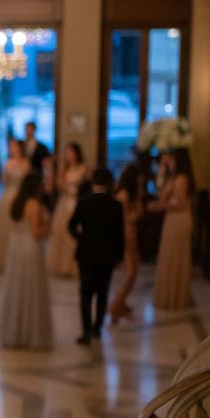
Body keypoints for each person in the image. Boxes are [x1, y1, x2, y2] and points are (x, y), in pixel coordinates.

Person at [0, 171, 53, 349]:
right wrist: (49, 231)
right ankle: (30, 333)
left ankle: (15, 331)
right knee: (31, 289)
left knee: (16, 288)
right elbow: (37, 233)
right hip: (30, 248)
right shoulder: (34, 205)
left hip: (16, 247)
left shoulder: (17, 203)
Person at [68, 167, 125, 345]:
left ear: (93, 182)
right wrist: (119, 256)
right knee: (102, 292)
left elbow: (71, 225)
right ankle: (97, 328)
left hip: (86, 254)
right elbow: (119, 234)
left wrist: (81, 239)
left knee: (85, 292)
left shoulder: (84, 202)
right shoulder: (115, 205)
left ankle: (85, 332)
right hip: (107, 256)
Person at [149, 148, 195, 310]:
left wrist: (159, 207)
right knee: (169, 256)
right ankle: (169, 296)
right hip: (172, 219)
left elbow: (179, 204)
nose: (168, 160)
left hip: (179, 219)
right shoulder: (173, 176)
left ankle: (175, 298)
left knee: (176, 257)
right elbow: (162, 193)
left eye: (171, 158)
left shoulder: (182, 178)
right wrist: (162, 170)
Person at [107, 162, 145, 323]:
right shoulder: (124, 195)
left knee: (131, 270)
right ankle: (116, 305)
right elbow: (132, 216)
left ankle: (121, 303)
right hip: (127, 231)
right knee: (132, 271)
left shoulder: (124, 193)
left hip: (128, 230)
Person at [47, 142, 87, 278]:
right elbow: (58, 186)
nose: (69, 155)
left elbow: (81, 187)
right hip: (64, 202)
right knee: (60, 232)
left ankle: (72, 266)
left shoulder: (82, 168)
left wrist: (71, 189)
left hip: (75, 202)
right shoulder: (64, 169)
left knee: (73, 233)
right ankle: (61, 266)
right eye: (67, 152)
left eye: (71, 152)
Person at [0, 138, 30, 270]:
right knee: (5, 226)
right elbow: (3, 181)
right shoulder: (8, 163)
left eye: (13, 146)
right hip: (7, 195)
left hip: (19, 196)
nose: (11, 148)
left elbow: (26, 182)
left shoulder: (25, 164)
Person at [24, 121, 54, 203]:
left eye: (30, 130)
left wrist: (48, 183)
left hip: (36, 180)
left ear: (34, 131)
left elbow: (48, 167)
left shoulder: (42, 148)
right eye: (26, 130)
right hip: (23, 181)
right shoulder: (21, 146)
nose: (28, 132)